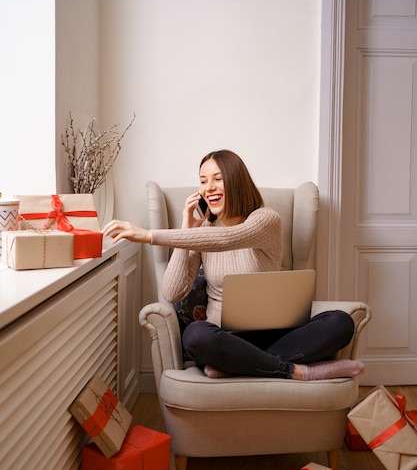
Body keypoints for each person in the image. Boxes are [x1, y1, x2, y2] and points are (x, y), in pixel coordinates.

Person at [102, 149, 364, 381]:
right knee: (195, 335)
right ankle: (295, 371)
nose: (208, 187)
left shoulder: (265, 219)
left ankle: (238, 366)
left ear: (236, 180)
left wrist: (149, 235)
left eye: (217, 178)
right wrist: (186, 231)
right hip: (225, 339)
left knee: (341, 322)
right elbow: (172, 292)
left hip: (276, 334)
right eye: (203, 181)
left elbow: (227, 238)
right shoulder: (202, 232)